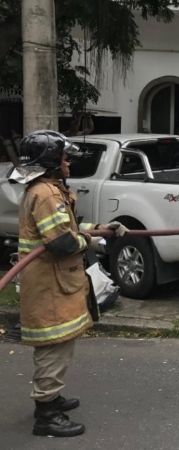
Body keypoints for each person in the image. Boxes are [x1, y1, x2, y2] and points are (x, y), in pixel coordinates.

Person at [14, 130, 127, 437]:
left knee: (60, 345)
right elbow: (62, 243)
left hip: (54, 282)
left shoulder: (48, 190)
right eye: (64, 158)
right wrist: (94, 240)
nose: (68, 163)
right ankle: (46, 414)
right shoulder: (47, 194)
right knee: (54, 346)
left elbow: (70, 229)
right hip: (50, 284)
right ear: (51, 161)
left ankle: (52, 397)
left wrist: (101, 228)